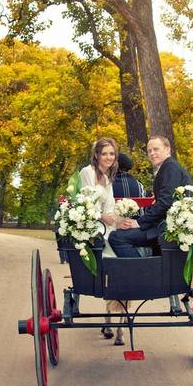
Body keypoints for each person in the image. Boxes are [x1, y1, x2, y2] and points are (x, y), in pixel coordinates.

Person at [109, 136, 193, 258]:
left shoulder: (170, 168)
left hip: (165, 230)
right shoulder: (167, 168)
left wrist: (139, 222)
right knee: (120, 233)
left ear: (167, 149)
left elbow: (165, 202)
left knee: (117, 237)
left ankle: (142, 272)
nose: (152, 153)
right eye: (149, 151)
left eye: (156, 149)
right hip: (162, 225)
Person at [77, 138, 127, 345]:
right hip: (92, 225)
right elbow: (86, 202)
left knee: (124, 244)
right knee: (107, 247)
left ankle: (118, 322)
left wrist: (120, 220)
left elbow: (110, 208)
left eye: (112, 154)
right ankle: (112, 316)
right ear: (96, 155)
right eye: (105, 153)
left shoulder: (107, 178)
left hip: (108, 225)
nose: (108, 157)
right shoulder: (87, 172)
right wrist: (102, 218)